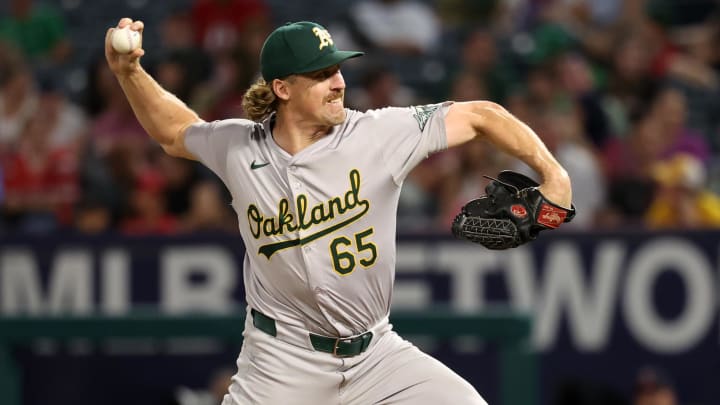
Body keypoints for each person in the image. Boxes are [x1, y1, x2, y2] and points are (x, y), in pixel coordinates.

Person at [105, 18, 573, 404]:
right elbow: (174, 132)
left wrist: (554, 175)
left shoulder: (378, 134)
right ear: (283, 89)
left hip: (378, 357)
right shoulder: (237, 147)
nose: (338, 83)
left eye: (338, 69)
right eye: (322, 74)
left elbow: (481, 115)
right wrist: (130, 73)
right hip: (280, 363)